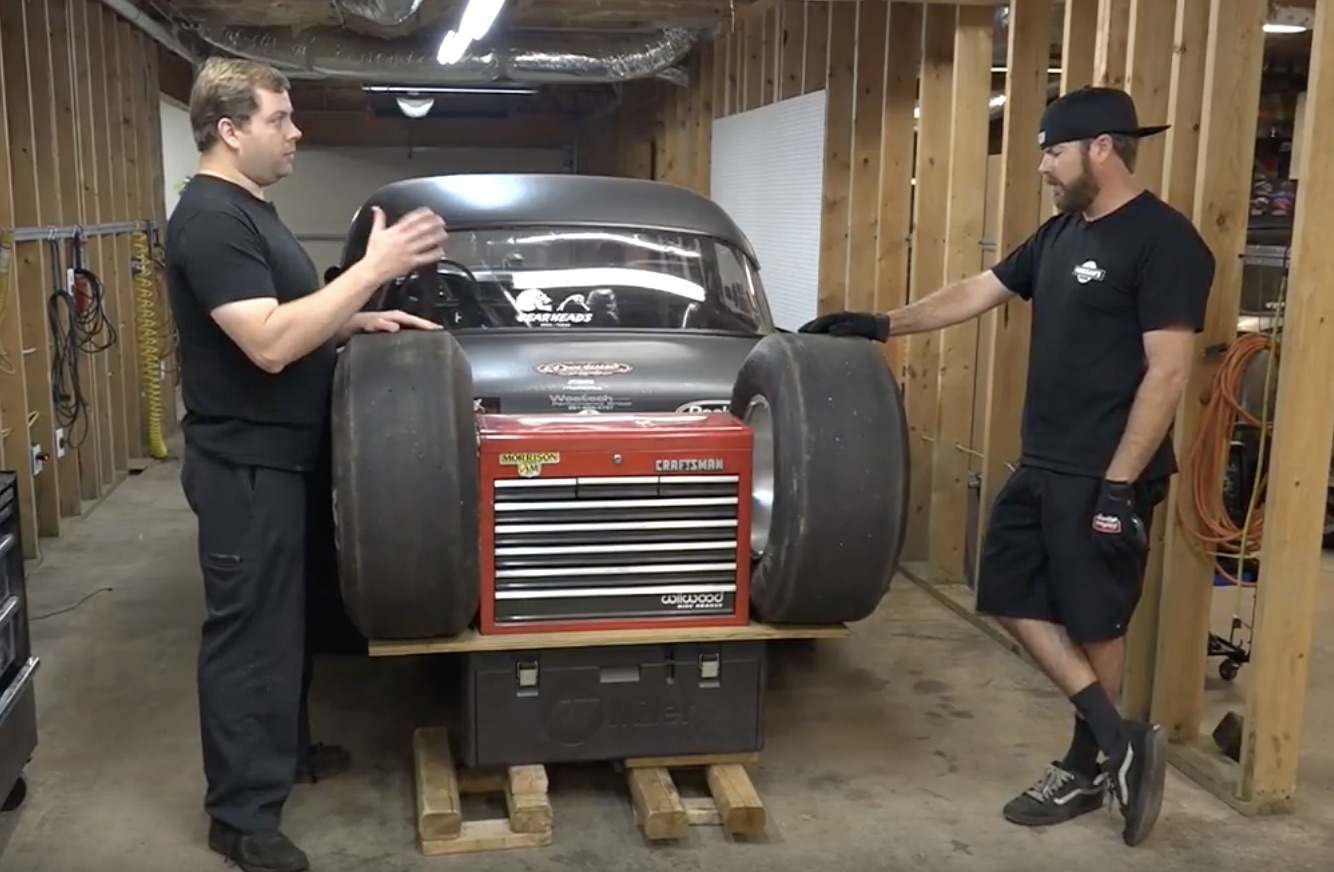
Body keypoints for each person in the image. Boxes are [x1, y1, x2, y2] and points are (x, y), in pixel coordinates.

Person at [801, 86, 1215, 847]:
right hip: (1044, 461)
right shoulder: (1059, 236)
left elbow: (1168, 373)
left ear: (1101, 147)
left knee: (1096, 619)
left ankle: (1089, 762)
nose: (1043, 168)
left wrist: (1119, 487)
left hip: (1106, 470)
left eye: (1053, 152)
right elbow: (976, 291)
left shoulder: (1164, 242)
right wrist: (883, 324)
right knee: (1011, 591)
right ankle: (1119, 741)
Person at [166, 57, 448, 872]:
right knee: (248, 637)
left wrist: (355, 321)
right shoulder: (212, 220)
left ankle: (284, 756)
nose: (296, 133)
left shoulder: (251, 210)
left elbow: (293, 317)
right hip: (245, 465)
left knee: (285, 627)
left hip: (284, 458)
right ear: (230, 130)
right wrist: (372, 268)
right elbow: (267, 342)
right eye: (280, 119)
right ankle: (241, 817)